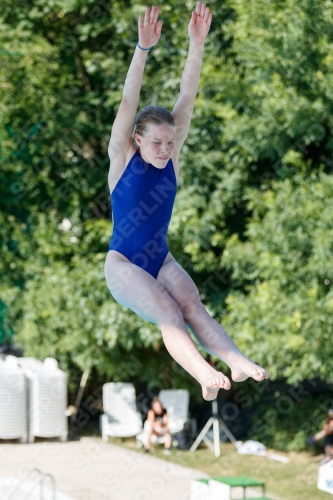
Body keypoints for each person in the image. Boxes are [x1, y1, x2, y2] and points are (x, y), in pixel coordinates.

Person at [105, 3, 269, 401]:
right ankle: (202, 372)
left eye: (170, 141)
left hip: (161, 258)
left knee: (193, 304)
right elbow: (129, 103)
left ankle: (234, 359)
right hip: (123, 266)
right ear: (138, 139)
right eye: (156, 142)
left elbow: (188, 95)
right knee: (168, 310)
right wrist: (142, 50)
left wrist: (196, 44)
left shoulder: (171, 157)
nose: (165, 149)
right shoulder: (122, 156)